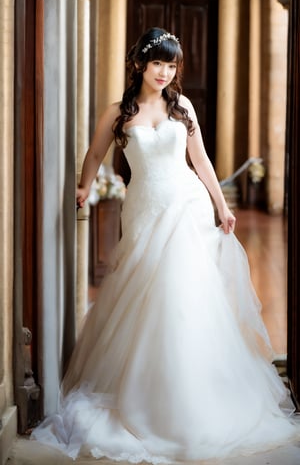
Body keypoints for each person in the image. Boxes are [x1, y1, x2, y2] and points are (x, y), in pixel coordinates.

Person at [32, 27, 298, 461]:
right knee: (144, 296)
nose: (164, 72)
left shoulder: (183, 107)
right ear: (140, 63)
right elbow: (95, 153)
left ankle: (187, 395)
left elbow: (201, 160)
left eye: (171, 65)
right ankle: (143, 391)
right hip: (144, 211)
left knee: (182, 297)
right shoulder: (118, 112)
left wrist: (221, 207)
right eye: (158, 62)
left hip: (186, 207)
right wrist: (83, 187)